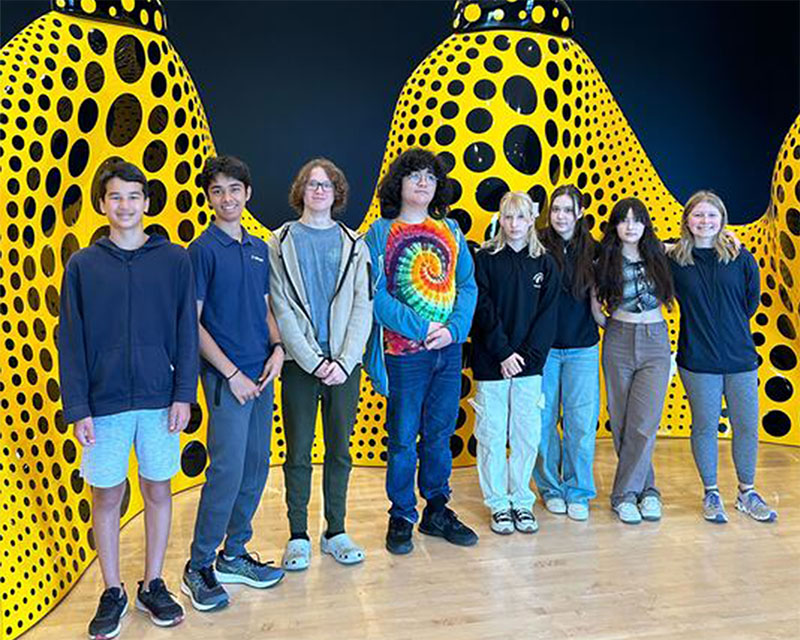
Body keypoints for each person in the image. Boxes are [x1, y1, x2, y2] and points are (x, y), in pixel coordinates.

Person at [59, 161, 197, 638]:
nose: (125, 205)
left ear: (147, 203)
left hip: (161, 401)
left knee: (159, 489)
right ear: (102, 204)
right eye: (115, 197)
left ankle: (152, 582)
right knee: (108, 496)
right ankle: (113, 589)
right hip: (104, 405)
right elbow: (70, 340)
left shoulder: (175, 260)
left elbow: (185, 331)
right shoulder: (82, 265)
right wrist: (77, 407)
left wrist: (184, 395)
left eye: (133, 196)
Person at [364, 148, 478, 555]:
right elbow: (373, 297)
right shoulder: (379, 233)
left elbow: (467, 286)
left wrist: (452, 331)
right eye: (414, 175)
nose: (423, 182)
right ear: (399, 183)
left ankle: (436, 509)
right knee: (401, 439)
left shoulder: (450, 229)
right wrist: (421, 326)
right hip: (403, 355)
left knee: (439, 434)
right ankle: (401, 514)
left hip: (446, 353)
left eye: (430, 176)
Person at [182, 156, 285, 611]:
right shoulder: (201, 250)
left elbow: (264, 307)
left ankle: (234, 554)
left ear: (248, 194)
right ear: (209, 198)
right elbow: (194, 324)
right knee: (226, 472)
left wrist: (279, 348)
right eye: (217, 190)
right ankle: (198, 565)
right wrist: (232, 374)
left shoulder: (258, 247)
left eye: (234, 189)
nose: (227, 198)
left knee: (257, 468)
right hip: (229, 380)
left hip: (262, 374)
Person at [268, 158, 372, 569]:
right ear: (301, 191)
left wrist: (344, 361)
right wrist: (313, 361)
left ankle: (336, 530)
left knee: (340, 450)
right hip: (299, 364)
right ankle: (298, 534)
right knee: (297, 452)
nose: (319, 190)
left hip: (345, 367)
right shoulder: (281, 241)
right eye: (312, 184)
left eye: (326, 184)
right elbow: (281, 306)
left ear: (337, 192)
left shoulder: (354, 243)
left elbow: (363, 306)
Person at [668, 191, 777, 523]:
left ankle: (747, 492)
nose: (705, 221)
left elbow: (750, 301)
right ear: (687, 219)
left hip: (740, 357)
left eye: (711, 215)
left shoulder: (739, 256)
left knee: (746, 425)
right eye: (698, 215)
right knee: (704, 426)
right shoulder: (675, 260)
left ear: (722, 219)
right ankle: (711, 492)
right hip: (697, 359)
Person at [471, 192, 559, 535]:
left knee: (525, 436)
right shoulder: (486, 258)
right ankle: (498, 504)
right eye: (508, 217)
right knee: (492, 436)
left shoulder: (546, 263)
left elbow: (547, 318)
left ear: (531, 220)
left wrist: (524, 358)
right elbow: (483, 310)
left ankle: (521, 501)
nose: (514, 225)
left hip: (529, 367)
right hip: (492, 362)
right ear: (501, 220)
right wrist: (504, 353)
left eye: (521, 218)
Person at [592, 197, 675, 525]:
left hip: (655, 340)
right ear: (615, 225)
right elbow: (595, 303)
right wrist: (610, 323)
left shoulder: (661, 255)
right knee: (624, 422)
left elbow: (696, 243)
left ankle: (624, 494)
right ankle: (648, 490)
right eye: (624, 220)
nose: (630, 226)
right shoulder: (603, 259)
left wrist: (729, 238)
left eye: (637, 220)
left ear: (645, 224)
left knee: (645, 422)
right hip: (619, 339)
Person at [534, 185, 601, 522]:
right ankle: (549, 488)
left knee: (580, 424)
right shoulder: (537, 242)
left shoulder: (595, 248)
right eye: (555, 209)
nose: (560, 216)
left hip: (582, 349)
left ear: (580, 213)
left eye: (566, 210)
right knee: (542, 422)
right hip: (543, 351)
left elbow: (641, 250)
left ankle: (578, 490)